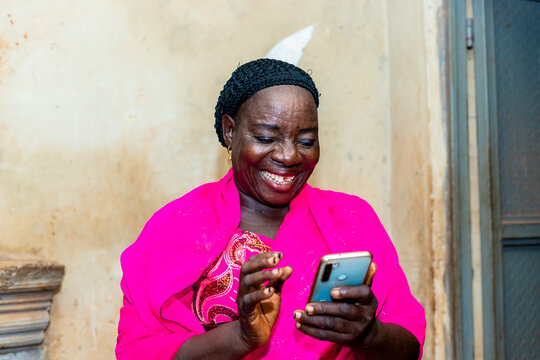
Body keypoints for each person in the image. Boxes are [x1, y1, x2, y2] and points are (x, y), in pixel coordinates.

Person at [116, 59, 425, 359]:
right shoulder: (176, 227)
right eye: (266, 138)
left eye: (306, 141)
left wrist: (369, 336)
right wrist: (240, 338)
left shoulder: (352, 221)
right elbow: (138, 349)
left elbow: (408, 345)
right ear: (229, 131)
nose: (289, 155)